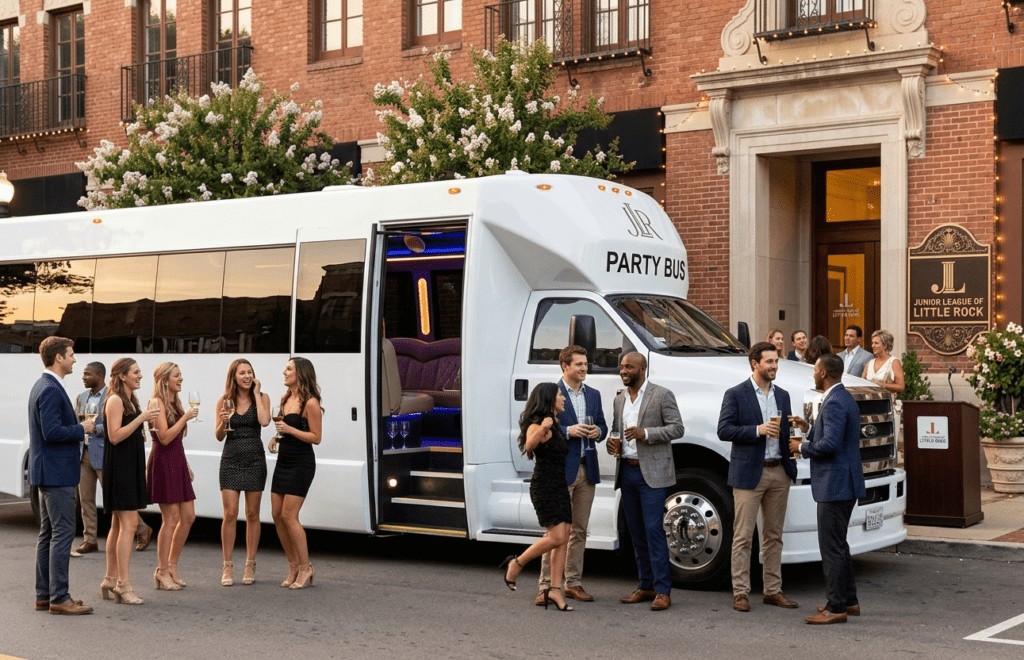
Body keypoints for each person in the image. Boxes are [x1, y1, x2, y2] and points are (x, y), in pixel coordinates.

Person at [718, 342, 799, 613]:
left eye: (776, 361)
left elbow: (786, 431)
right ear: (755, 363)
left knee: (774, 536)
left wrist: (797, 437)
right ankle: (741, 592)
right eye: (769, 362)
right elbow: (724, 429)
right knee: (743, 536)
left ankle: (773, 590)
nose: (774, 366)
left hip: (779, 471)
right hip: (748, 473)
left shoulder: (783, 395)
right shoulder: (736, 393)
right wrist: (757, 430)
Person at [789, 354, 866, 625]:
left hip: (836, 484)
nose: (813, 373)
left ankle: (836, 607)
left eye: (815, 369)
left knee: (831, 548)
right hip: (846, 482)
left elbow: (830, 444)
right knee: (839, 545)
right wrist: (808, 428)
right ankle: (849, 601)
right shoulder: (844, 397)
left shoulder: (833, 401)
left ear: (823, 373)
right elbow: (836, 436)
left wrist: (801, 446)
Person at [608, 352, 684, 612]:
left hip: (652, 473)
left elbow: (677, 428)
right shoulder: (619, 399)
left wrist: (646, 433)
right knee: (636, 533)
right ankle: (646, 585)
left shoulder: (661, 395)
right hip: (626, 472)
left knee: (654, 531)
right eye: (621, 367)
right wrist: (612, 444)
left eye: (629, 367)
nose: (623, 371)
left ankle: (663, 590)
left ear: (643, 368)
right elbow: (615, 431)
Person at [533, 346, 608, 606]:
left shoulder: (594, 394)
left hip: (588, 468)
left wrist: (599, 432)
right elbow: (540, 427)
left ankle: (573, 583)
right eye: (579, 364)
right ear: (565, 366)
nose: (584, 368)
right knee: (556, 532)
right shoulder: (551, 393)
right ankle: (545, 587)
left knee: (579, 530)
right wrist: (568, 431)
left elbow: (603, 424)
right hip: (561, 470)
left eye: (586, 364)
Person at [29, 336, 95, 615]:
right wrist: (83, 429)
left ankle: (45, 596)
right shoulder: (51, 389)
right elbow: (51, 432)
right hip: (57, 474)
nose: (74, 359)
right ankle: (59, 597)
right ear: (59, 358)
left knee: (48, 534)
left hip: (48, 471)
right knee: (63, 533)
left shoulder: (42, 385)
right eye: (71, 354)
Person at [500, 382, 574, 611]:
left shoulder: (557, 424)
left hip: (559, 486)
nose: (563, 398)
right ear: (549, 399)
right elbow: (529, 446)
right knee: (555, 537)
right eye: (560, 395)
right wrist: (543, 428)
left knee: (564, 537)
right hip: (544, 487)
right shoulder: (537, 425)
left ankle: (555, 590)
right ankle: (516, 563)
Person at [72, 363, 153, 557]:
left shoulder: (113, 397)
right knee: (86, 499)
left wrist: (94, 428)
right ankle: (90, 539)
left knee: (118, 501)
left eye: (87, 374)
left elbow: (111, 428)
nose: (83, 377)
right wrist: (81, 429)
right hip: (83, 452)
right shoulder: (81, 397)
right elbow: (78, 423)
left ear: (99, 376)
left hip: (103, 453)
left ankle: (142, 528)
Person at [102, 358, 160, 605]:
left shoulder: (129, 399)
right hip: (120, 468)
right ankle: (123, 585)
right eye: (135, 372)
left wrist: (142, 422)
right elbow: (114, 436)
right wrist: (142, 418)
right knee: (130, 523)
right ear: (122, 376)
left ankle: (110, 578)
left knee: (118, 524)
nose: (140, 376)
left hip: (128, 465)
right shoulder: (115, 400)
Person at [269, 357, 322, 590]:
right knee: (276, 515)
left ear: (300, 373)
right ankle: (292, 566)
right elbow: (285, 430)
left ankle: (305, 567)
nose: (284, 372)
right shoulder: (286, 398)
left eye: (289, 369)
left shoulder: (310, 403)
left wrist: (289, 429)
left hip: (301, 463)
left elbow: (316, 437)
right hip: (283, 461)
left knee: (289, 516)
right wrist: (276, 437)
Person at [216, 359, 271, 587]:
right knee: (230, 513)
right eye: (242, 373)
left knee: (252, 514)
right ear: (234, 377)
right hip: (230, 459)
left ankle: (250, 564)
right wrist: (223, 422)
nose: (247, 376)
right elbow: (219, 436)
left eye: (250, 372)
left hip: (255, 459)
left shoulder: (263, 397)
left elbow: (265, 422)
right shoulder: (224, 400)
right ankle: (227, 565)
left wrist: (257, 394)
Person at [148, 363, 199, 591]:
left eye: (181, 375)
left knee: (188, 516)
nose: (181, 379)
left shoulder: (174, 401)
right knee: (170, 519)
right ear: (164, 379)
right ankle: (162, 571)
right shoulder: (156, 402)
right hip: (163, 462)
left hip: (177, 461)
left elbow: (177, 441)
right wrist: (186, 417)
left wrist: (185, 464)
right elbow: (165, 438)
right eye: (177, 376)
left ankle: (172, 565)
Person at [862, 330, 905, 397]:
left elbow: (901, 387)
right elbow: (862, 383)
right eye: (872, 343)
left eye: (876, 343)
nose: (873, 346)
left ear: (885, 345)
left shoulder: (893, 362)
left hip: (886, 401)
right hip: (869, 402)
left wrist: (883, 385)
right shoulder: (870, 363)